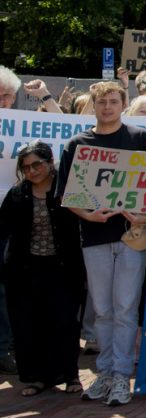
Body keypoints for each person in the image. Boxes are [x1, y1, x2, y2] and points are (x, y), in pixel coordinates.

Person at [56, 81, 146, 406]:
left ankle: (121, 377)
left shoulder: (140, 139)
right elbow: (66, 194)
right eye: (101, 102)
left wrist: (142, 215)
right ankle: (104, 373)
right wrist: (87, 216)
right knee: (102, 310)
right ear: (94, 105)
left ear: (123, 104)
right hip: (95, 237)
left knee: (126, 309)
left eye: (113, 101)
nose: (107, 107)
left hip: (131, 237)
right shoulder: (78, 143)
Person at [0, 142, 85, 396]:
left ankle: (70, 376)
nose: (32, 171)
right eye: (26, 167)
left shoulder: (68, 189)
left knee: (65, 322)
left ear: (50, 162)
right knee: (29, 324)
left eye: (37, 164)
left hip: (64, 269)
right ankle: (36, 378)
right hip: (26, 270)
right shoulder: (17, 194)